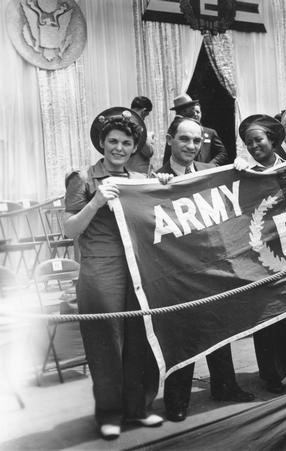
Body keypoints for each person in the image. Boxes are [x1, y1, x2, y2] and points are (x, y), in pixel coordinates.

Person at [64, 107, 163, 439]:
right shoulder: (82, 178)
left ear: (134, 147)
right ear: (102, 144)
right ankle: (109, 412)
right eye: (112, 142)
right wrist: (94, 203)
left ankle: (138, 408)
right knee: (106, 343)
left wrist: (162, 184)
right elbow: (68, 230)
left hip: (137, 268)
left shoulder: (140, 180)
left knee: (139, 340)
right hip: (99, 269)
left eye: (125, 143)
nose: (119, 148)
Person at [156, 116, 255, 422]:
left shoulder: (211, 172)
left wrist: (239, 170)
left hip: (212, 264)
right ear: (170, 139)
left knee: (220, 325)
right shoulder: (154, 179)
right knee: (182, 335)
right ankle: (177, 399)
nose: (190, 146)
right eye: (184, 139)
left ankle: (225, 386)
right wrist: (156, 188)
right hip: (178, 270)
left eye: (196, 141)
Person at [233, 114, 286, 393]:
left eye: (258, 140)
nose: (253, 146)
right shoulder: (245, 174)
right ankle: (271, 374)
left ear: (272, 140)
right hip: (261, 254)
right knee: (266, 315)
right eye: (248, 143)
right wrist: (236, 173)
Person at [162, 94, 229, 166]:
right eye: (192, 108)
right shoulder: (176, 129)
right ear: (184, 111)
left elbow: (222, 153)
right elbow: (168, 157)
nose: (194, 113)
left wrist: (209, 166)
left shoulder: (209, 132)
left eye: (198, 111)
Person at [126, 96, 156, 176]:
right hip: (138, 173)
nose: (144, 119)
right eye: (146, 115)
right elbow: (148, 152)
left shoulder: (121, 123)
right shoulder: (139, 127)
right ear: (144, 111)